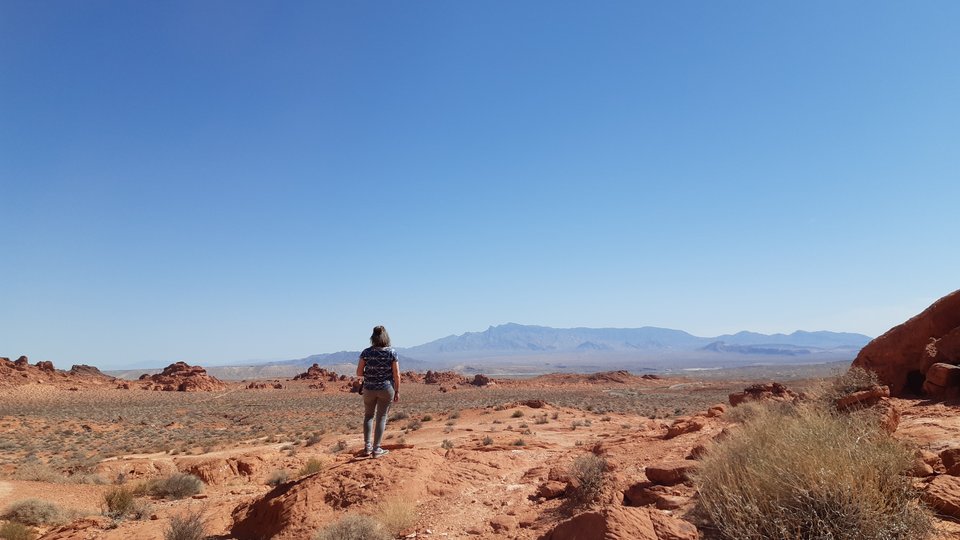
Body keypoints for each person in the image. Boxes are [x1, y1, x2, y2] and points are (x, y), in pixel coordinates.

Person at [357, 325, 400, 458]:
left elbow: (359, 372)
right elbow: (396, 374)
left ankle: (367, 447)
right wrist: (397, 391)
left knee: (368, 416)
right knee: (381, 417)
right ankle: (377, 449)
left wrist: (369, 374)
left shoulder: (366, 352)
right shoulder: (391, 352)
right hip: (386, 389)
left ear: (373, 337)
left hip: (369, 389)